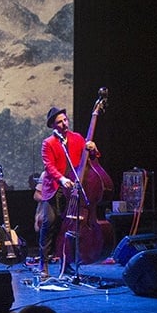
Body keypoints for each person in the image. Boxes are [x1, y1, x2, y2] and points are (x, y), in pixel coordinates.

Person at [38, 105, 107, 278]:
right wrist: (62, 179)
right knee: (49, 223)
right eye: (59, 122)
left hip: (74, 190)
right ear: (53, 125)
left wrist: (93, 149)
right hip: (55, 189)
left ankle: (67, 263)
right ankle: (43, 264)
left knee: (68, 228)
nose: (64, 124)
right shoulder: (48, 143)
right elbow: (49, 166)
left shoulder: (77, 138)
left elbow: (91, 160)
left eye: (65, 120)